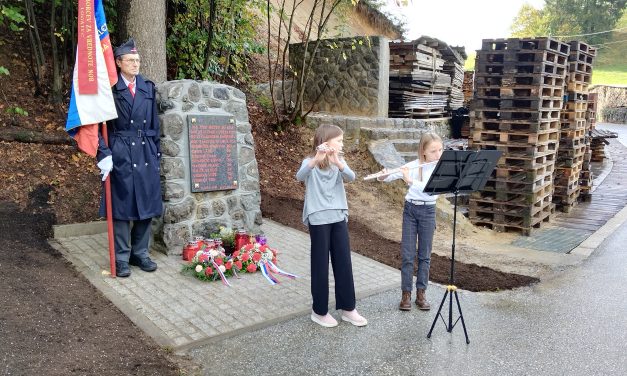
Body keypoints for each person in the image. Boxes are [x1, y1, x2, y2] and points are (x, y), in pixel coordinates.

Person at [96, 38, 161, 278]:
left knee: (146, 205)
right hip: (120, 151)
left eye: (138, 60)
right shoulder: (109, 90)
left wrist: (156, 153)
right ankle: (121, 257)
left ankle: (140, 253)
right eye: (131, 60)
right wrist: (103, 153)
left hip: (145, 151)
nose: (136, 64)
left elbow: (154, 124)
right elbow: (98, 126)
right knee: (122, 208)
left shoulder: (147, 87)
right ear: (118, 62)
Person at [296, 124, 367, 328]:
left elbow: (351, 178)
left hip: (338, 215)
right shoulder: (309, 162)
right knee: (320, 264)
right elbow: (299, 176)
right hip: (318, 217)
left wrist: (338, 162)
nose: (342, 144)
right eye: (339, 140)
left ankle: (348, 308)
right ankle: (319, 311)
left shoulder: (339, 161)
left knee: (344, 262)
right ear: (325, 141)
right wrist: (316, 160)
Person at [376, 132, 443, 311]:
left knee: (425, 255)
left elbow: (432, 190)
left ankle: (421, 293)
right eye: (434, 151)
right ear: (423, 152)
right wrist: (383, 175)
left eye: (440, 150)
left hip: (428, 211)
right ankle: (406, 294)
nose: (438, 155)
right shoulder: (413, 165)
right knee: (407, 255)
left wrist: (410, 180)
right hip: (411, 211)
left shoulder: (440, 168)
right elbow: (391, 177)